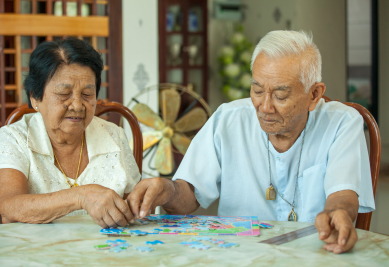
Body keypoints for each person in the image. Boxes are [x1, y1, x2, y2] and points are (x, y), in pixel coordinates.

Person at [127, 31, 375, 254]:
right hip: (238, 255)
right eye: (257, 90)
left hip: (314, 253)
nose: (265, 107)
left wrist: (336, 215)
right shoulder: (229, 119)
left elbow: (343, 195)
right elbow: (189, 193)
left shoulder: (343, 123)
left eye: (280, 95)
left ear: (314, 94)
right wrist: (166, 189)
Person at [0, 38, 140, 228]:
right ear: (35, 96)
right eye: (63, 93)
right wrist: (80, 196)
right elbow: (9, 207)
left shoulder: (114, 135)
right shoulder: (15, 137)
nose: (77, 105)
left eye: (87, 94)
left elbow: (134, 210)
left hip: (104, 254)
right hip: (38, 253)